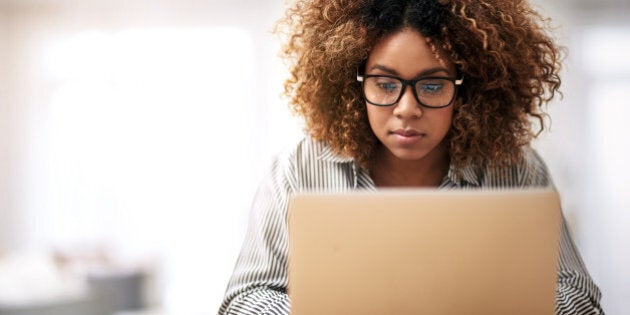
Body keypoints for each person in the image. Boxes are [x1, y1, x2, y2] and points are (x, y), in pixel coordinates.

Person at [218, 0, 604, 314]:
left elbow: (580, 298)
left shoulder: (515, 166)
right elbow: (244, 298)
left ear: (468, 90)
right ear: (354, 83)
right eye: (385, 84)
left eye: (432, 85)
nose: (406, 108)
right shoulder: (300, 166)